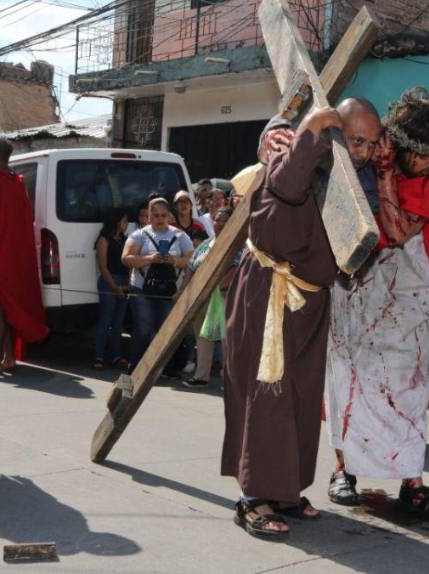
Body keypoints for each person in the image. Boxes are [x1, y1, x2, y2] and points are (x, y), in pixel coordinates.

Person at [325, 88, 429, 524]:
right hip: (355, 288)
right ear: (399, 145)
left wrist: (386, 174)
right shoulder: (363, 162)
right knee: (348, 378)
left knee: (408, 388)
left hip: (408, 297)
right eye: (422, 157)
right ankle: (343, 471)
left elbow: (399, 232)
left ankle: (412, 483)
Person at [222, 104, 344, 539]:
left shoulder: (342, 169)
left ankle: (287, 489)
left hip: (310, 303)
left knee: (302, 397)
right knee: (266, 397)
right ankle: (254, 497)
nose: (364, 150)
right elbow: (289, 182)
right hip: (269, 297)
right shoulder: (283, 151)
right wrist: (309, 127)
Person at [0, 137, 49, 373]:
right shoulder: (16, 180)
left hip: (2, 255)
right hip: (13, 253)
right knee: (6, 306)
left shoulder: (3, 181)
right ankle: (8, 358)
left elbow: (0, 221)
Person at [122, 197, 193, 369]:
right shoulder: (139, 235)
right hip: (141, 289)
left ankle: (166, 368)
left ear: (169, 215)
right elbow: (126, 259)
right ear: (148, 217)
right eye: (155, 215)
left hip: (171, 290)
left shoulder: (180, 235)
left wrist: (173, 260)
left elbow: (192, 262)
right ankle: (136, 367)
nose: (160, 219)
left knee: (166, 331)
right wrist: (149, 259)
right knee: (143, 329)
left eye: (163, 215)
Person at [184, 207, 237, 388]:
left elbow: (237, 269)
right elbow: (191, 268)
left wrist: (217, 286)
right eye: (217, 220)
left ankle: (230, 380)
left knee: (228, 339)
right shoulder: (205, 244)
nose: (220, 223)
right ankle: (201, 376)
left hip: (225, 296)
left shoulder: (237, 244)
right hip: (202, 298)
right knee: (203, 336)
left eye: (224, 220)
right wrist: (188, 292)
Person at [93, 210, 130, 370]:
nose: (126, 223)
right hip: (109, 282)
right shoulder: (104, 239)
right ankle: (99, 357)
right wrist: (115, 288)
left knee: (118, 323)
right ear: (116, 221)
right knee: (105, 320)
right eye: (124, 220)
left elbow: (128, 263)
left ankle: (116, 356)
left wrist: (127, 284)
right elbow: (103, 267)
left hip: (123, 282)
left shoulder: (124, 239)